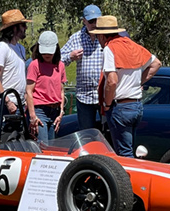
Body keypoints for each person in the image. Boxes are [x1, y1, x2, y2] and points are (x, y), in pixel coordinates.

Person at [90, 15, 161, 157]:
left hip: (120, 107)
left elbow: (112, 81)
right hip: (136, 105)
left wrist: (107, 104)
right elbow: (156, 63)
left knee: (123, 153)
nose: (98, 40)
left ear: (103, 36)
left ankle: (125, 179)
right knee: (130, 149)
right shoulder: (132, 45)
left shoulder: (110, 48)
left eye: (98, 37)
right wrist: (136, 82)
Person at [60, 4, 102, 130]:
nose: (94, 24)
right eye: (91, 21)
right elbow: (58, 60)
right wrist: (70, 57)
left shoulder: (105, 36)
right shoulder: (76, 38)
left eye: (97, 20)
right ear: (84, 21)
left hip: (104, 95)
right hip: (84, 96)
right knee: (86, 133)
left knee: (108, 133)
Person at [0, 9, 32, 122]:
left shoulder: (20, 48)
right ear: (14, 28)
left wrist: (26, 98)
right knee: (5, 138)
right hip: (5, 105)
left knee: (19, 138)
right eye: (23, 25)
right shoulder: (2, 48)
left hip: (19, 103)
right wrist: (8, 101)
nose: (25, 28)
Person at [26, 31, 67, 144]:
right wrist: (32, 115)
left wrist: (61, 112)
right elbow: (29, 91)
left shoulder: (60, 65)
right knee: (42, 145)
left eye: (50, 52)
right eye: (44, 52)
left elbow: (61, 90)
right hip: (40, 111)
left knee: (53, 146)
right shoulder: (34, 65)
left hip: (55, 112)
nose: (47, 55)